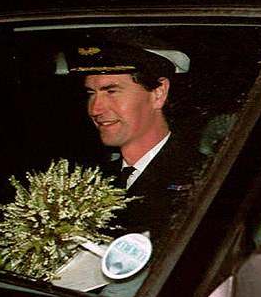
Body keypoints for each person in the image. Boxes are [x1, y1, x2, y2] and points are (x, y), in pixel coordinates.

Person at [67, 42, 205, 243]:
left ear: (159, 93)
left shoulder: (203, 177)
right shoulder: (89, 179)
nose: (95, 109)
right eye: (91, 93)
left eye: (111, 91)